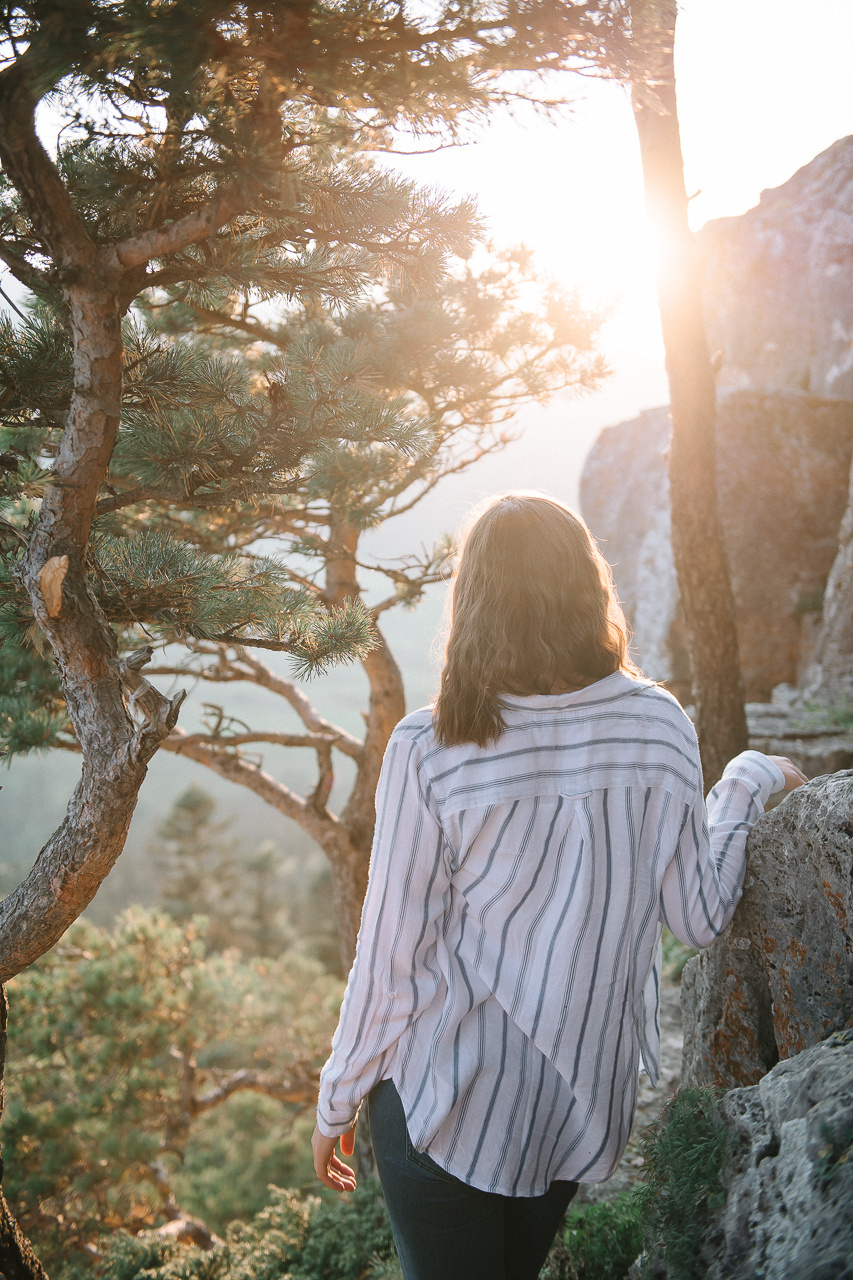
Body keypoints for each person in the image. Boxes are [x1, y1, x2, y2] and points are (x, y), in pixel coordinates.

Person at [311, 493, 806, 1280]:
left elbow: (392, 954)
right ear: (587, 585)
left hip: (441, 1102)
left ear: (472, 600)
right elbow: (700, 917)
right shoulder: (657, 724)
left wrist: (336, 1097)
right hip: (567, 1113)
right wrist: (742, 783)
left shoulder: (431, 744)